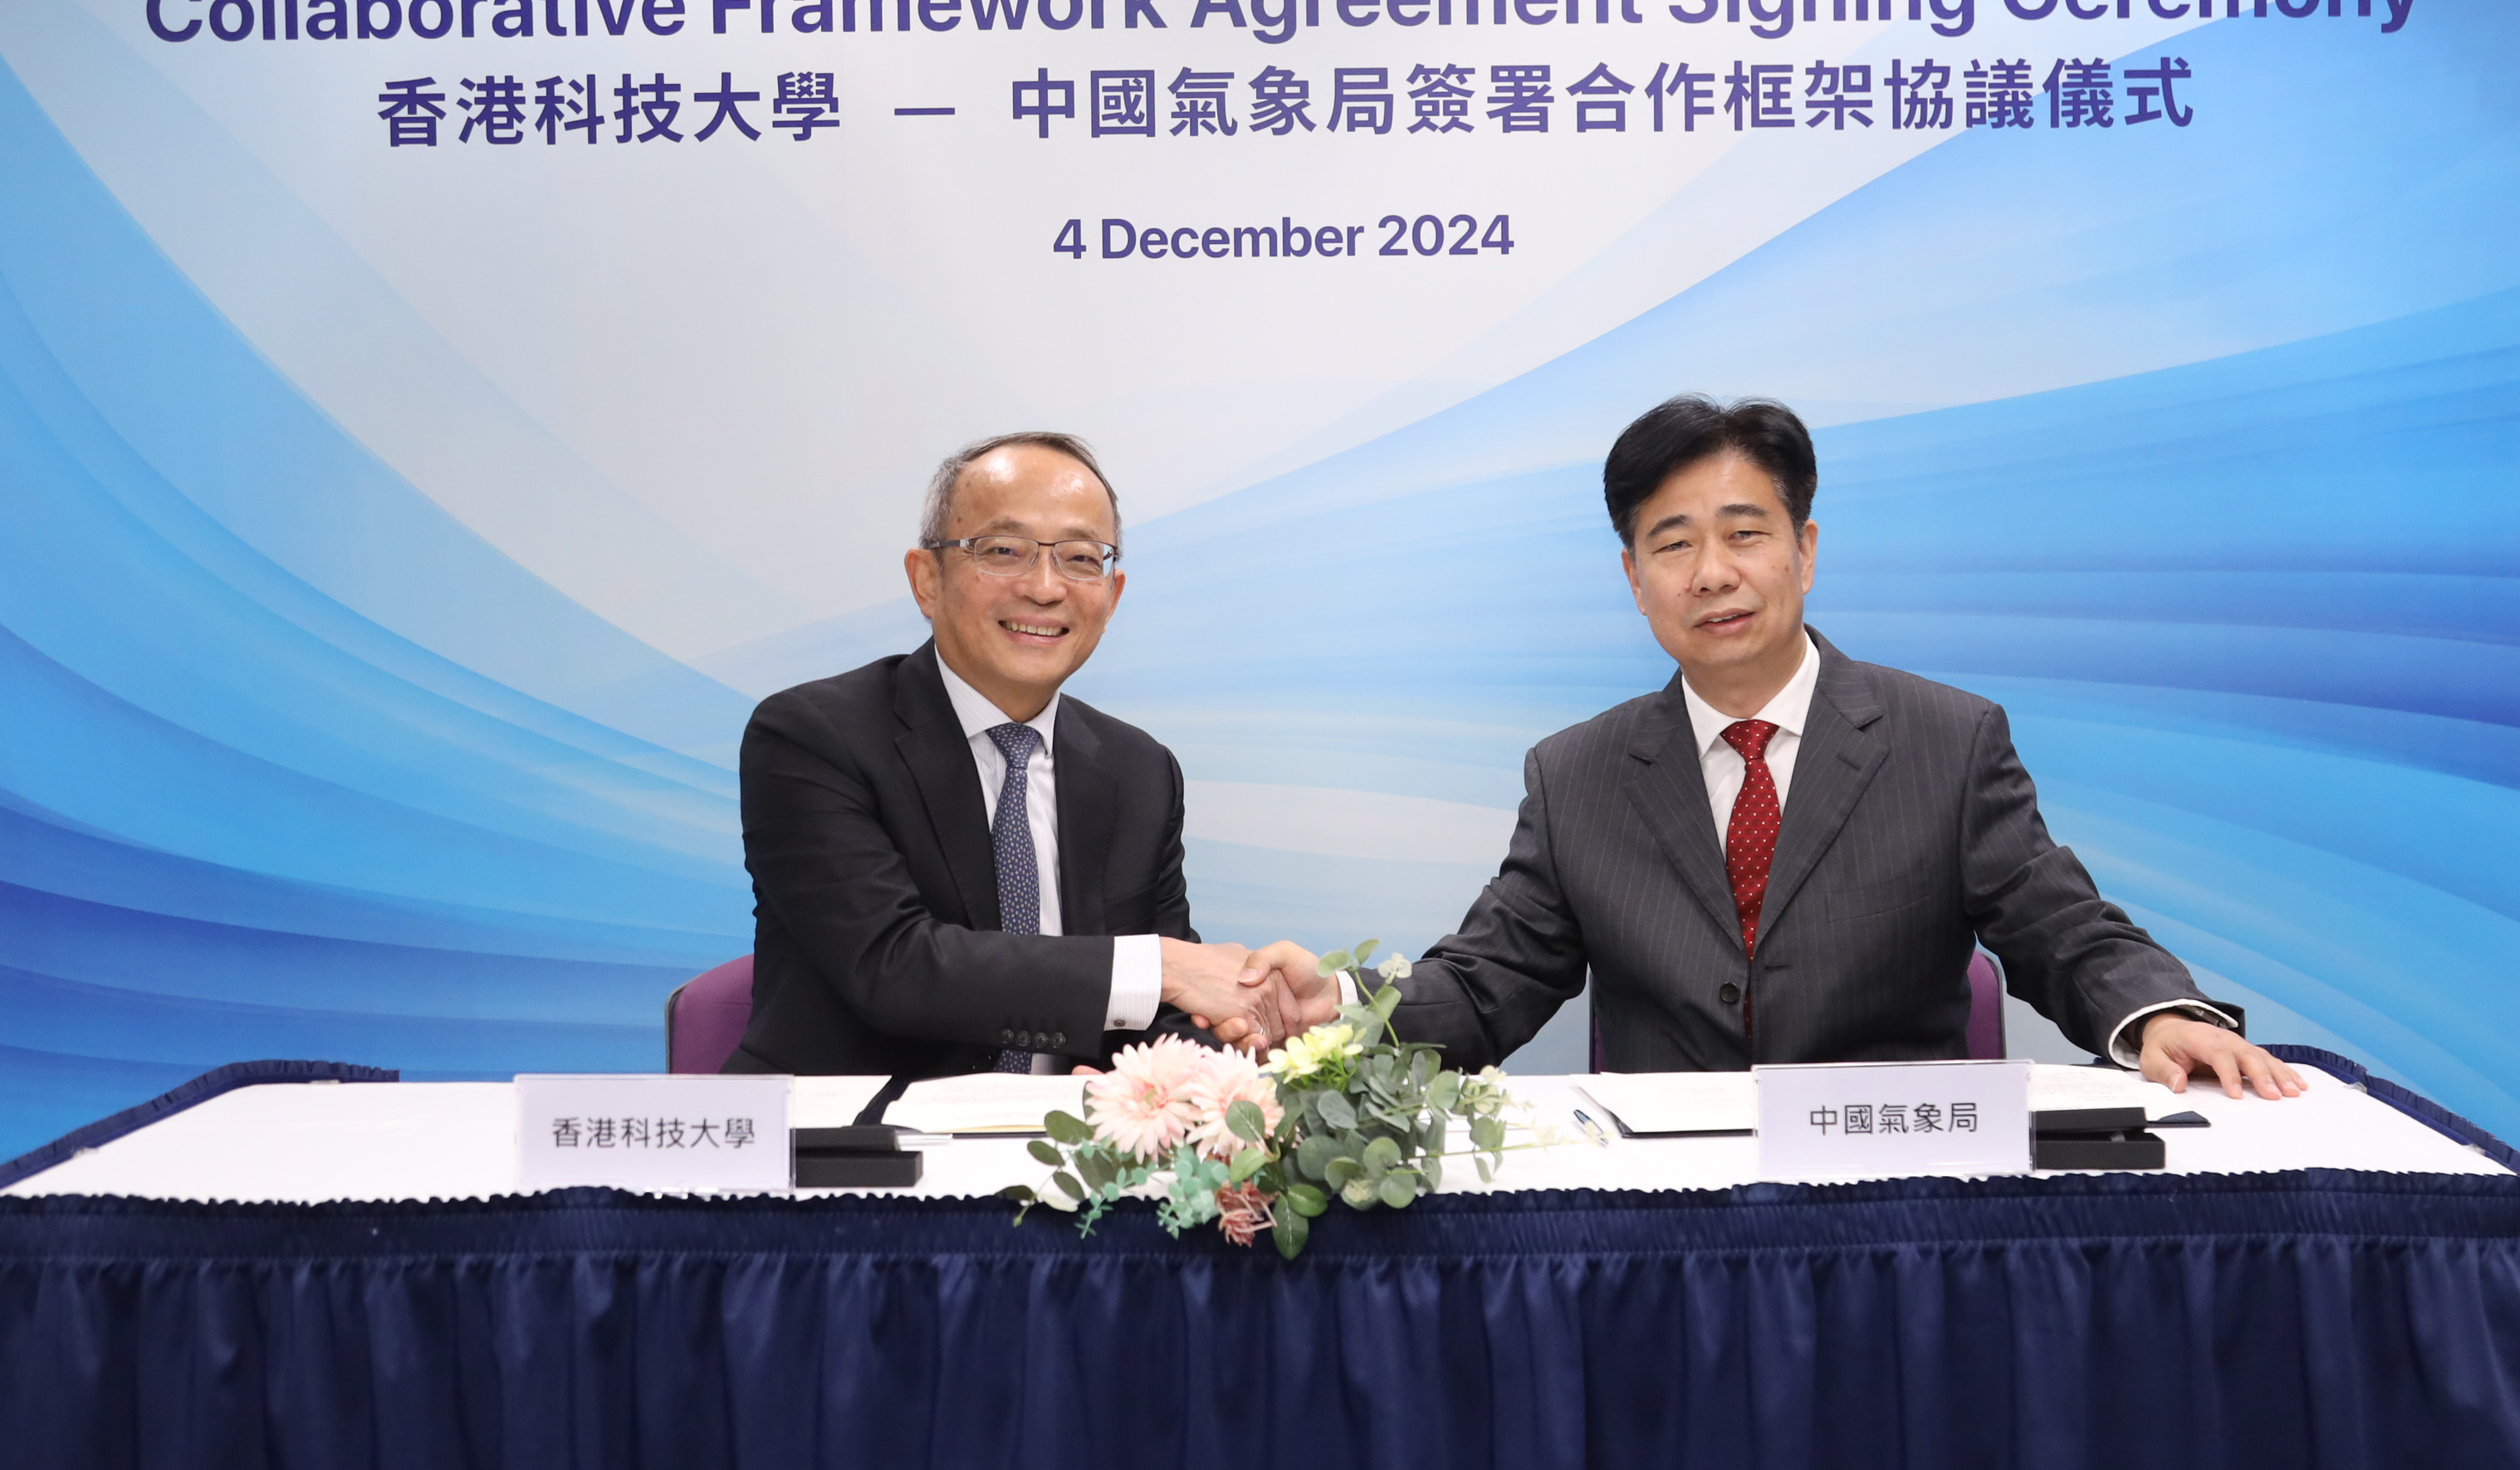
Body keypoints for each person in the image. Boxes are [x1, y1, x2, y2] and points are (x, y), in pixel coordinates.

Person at [1232, 396, 2303, 1100]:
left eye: (1745, 532)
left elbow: (2062, 927)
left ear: (1806, 549)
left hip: (1897, 1197)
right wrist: (1346, 1008)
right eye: (1673, 542)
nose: (1712, 571)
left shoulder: (1945, 738)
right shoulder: (1580, 775)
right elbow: (1487, 982)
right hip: (1669, 1220)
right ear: (1634, 580)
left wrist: (2158, 1010)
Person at [725, 432, 1284, 1079]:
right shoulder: (811, 735)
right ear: (926, 579)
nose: (1045, 588)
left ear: (1113, 595)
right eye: (1003, 551)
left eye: (1080, 558)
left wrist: (1195, 1052)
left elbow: (1169, 1004)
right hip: (851, 1154)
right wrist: (1162, 967)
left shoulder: (1139, 770)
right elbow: (895, 966)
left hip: (1074, 1157)